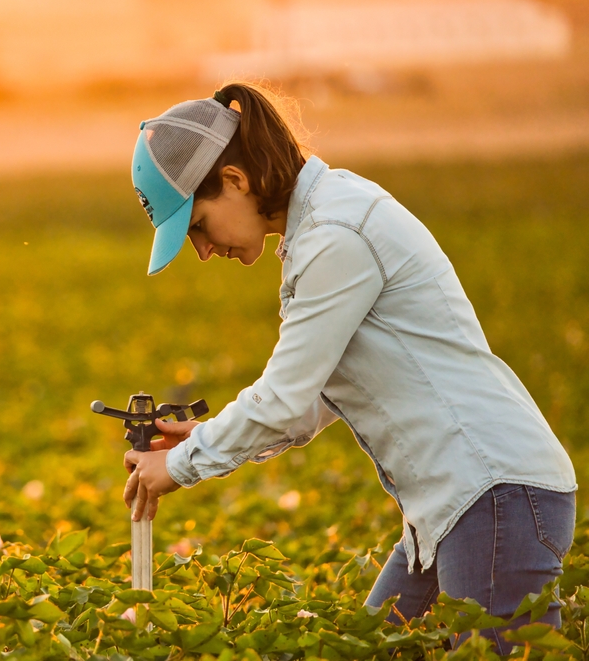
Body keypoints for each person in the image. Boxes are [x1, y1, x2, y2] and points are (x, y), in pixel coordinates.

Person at [122, 82, 578, 652]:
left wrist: (183, 465)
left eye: (196, 226)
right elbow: (313, 399)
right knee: (367, 645)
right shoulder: (326, 219)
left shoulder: (337, 235)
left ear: (234, 182)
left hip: (491, 497)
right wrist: (201, 436)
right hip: (453, 506)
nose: (204, 250)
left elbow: (285, 396)